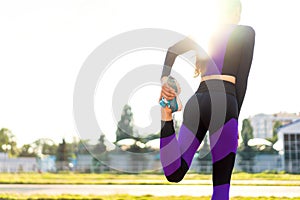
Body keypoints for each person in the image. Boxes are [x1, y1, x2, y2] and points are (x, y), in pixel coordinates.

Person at [159, 0, 255, 199]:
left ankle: (166, 116)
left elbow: (172, 49)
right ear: (237, 12)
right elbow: (242, 80)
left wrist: (165, 79)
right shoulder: (245, 32)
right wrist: (234, 118)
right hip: (225, 101)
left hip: (198, 101)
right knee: (221, 188)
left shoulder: (204, 33)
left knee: (174, 172)